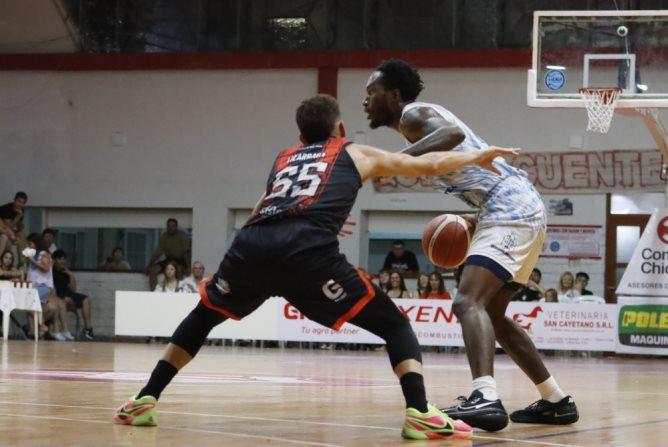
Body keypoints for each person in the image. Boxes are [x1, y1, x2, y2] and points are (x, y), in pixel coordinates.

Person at [114, 94, 517, 440]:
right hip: (305, 249)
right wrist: (477, 155)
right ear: (339, 128)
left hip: (252, 242)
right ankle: (419, 412)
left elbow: (261, 206)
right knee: (394, 325)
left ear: (300, 135)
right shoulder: (352, 151)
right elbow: (427, 165)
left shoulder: (284, 157)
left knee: (203, 316)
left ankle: (144, 399)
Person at [363, 59, 578, 431]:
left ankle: (485, 397)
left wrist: (393, 163)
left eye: (372, 93)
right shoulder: (416, 125)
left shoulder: (414, 115)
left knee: (467, 301)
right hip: (512, 206)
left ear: (394, 95)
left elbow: (452, 135)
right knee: (492, 314)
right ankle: (556, 400)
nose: (365, 101)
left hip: (510, 206)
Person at [52, 249, 95, 340]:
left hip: (69, 293)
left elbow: (73, 289)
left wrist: (70, 274)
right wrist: (63, 298)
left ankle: (88, 329)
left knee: (86, 299)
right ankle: (63, 331)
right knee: (64, 300)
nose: (62, 261)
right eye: (60, 259)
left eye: (64, 259)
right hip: (58, 295)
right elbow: (52, 289)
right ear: (54, 260)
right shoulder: (51, 272)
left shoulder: (65, 272)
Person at [146, 218, 191, 290]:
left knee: (179, 270)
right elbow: (158, 253)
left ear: (176, 227)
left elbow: (186, 252)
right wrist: (149, 265)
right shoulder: (164, 236)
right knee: (153, 270)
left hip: (180, 260)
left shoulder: (182, 236)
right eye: (169, 226)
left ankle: (178, 291)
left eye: (173, 226)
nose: (171, 228)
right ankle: (154, 291)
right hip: (168, 259)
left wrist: (188, 266)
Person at [0, 191, 27, 257]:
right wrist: (17, 217)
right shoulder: (6, 209)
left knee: (22, 235)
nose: (20, 204)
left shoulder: (21, 210)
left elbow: (20, 229)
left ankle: (22, 261)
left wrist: (20, 217)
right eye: (19, 201)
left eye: (23, 203)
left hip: (9, 232)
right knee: (6, 239)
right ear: (14, 200)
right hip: (3, 231)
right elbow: (7, 227)